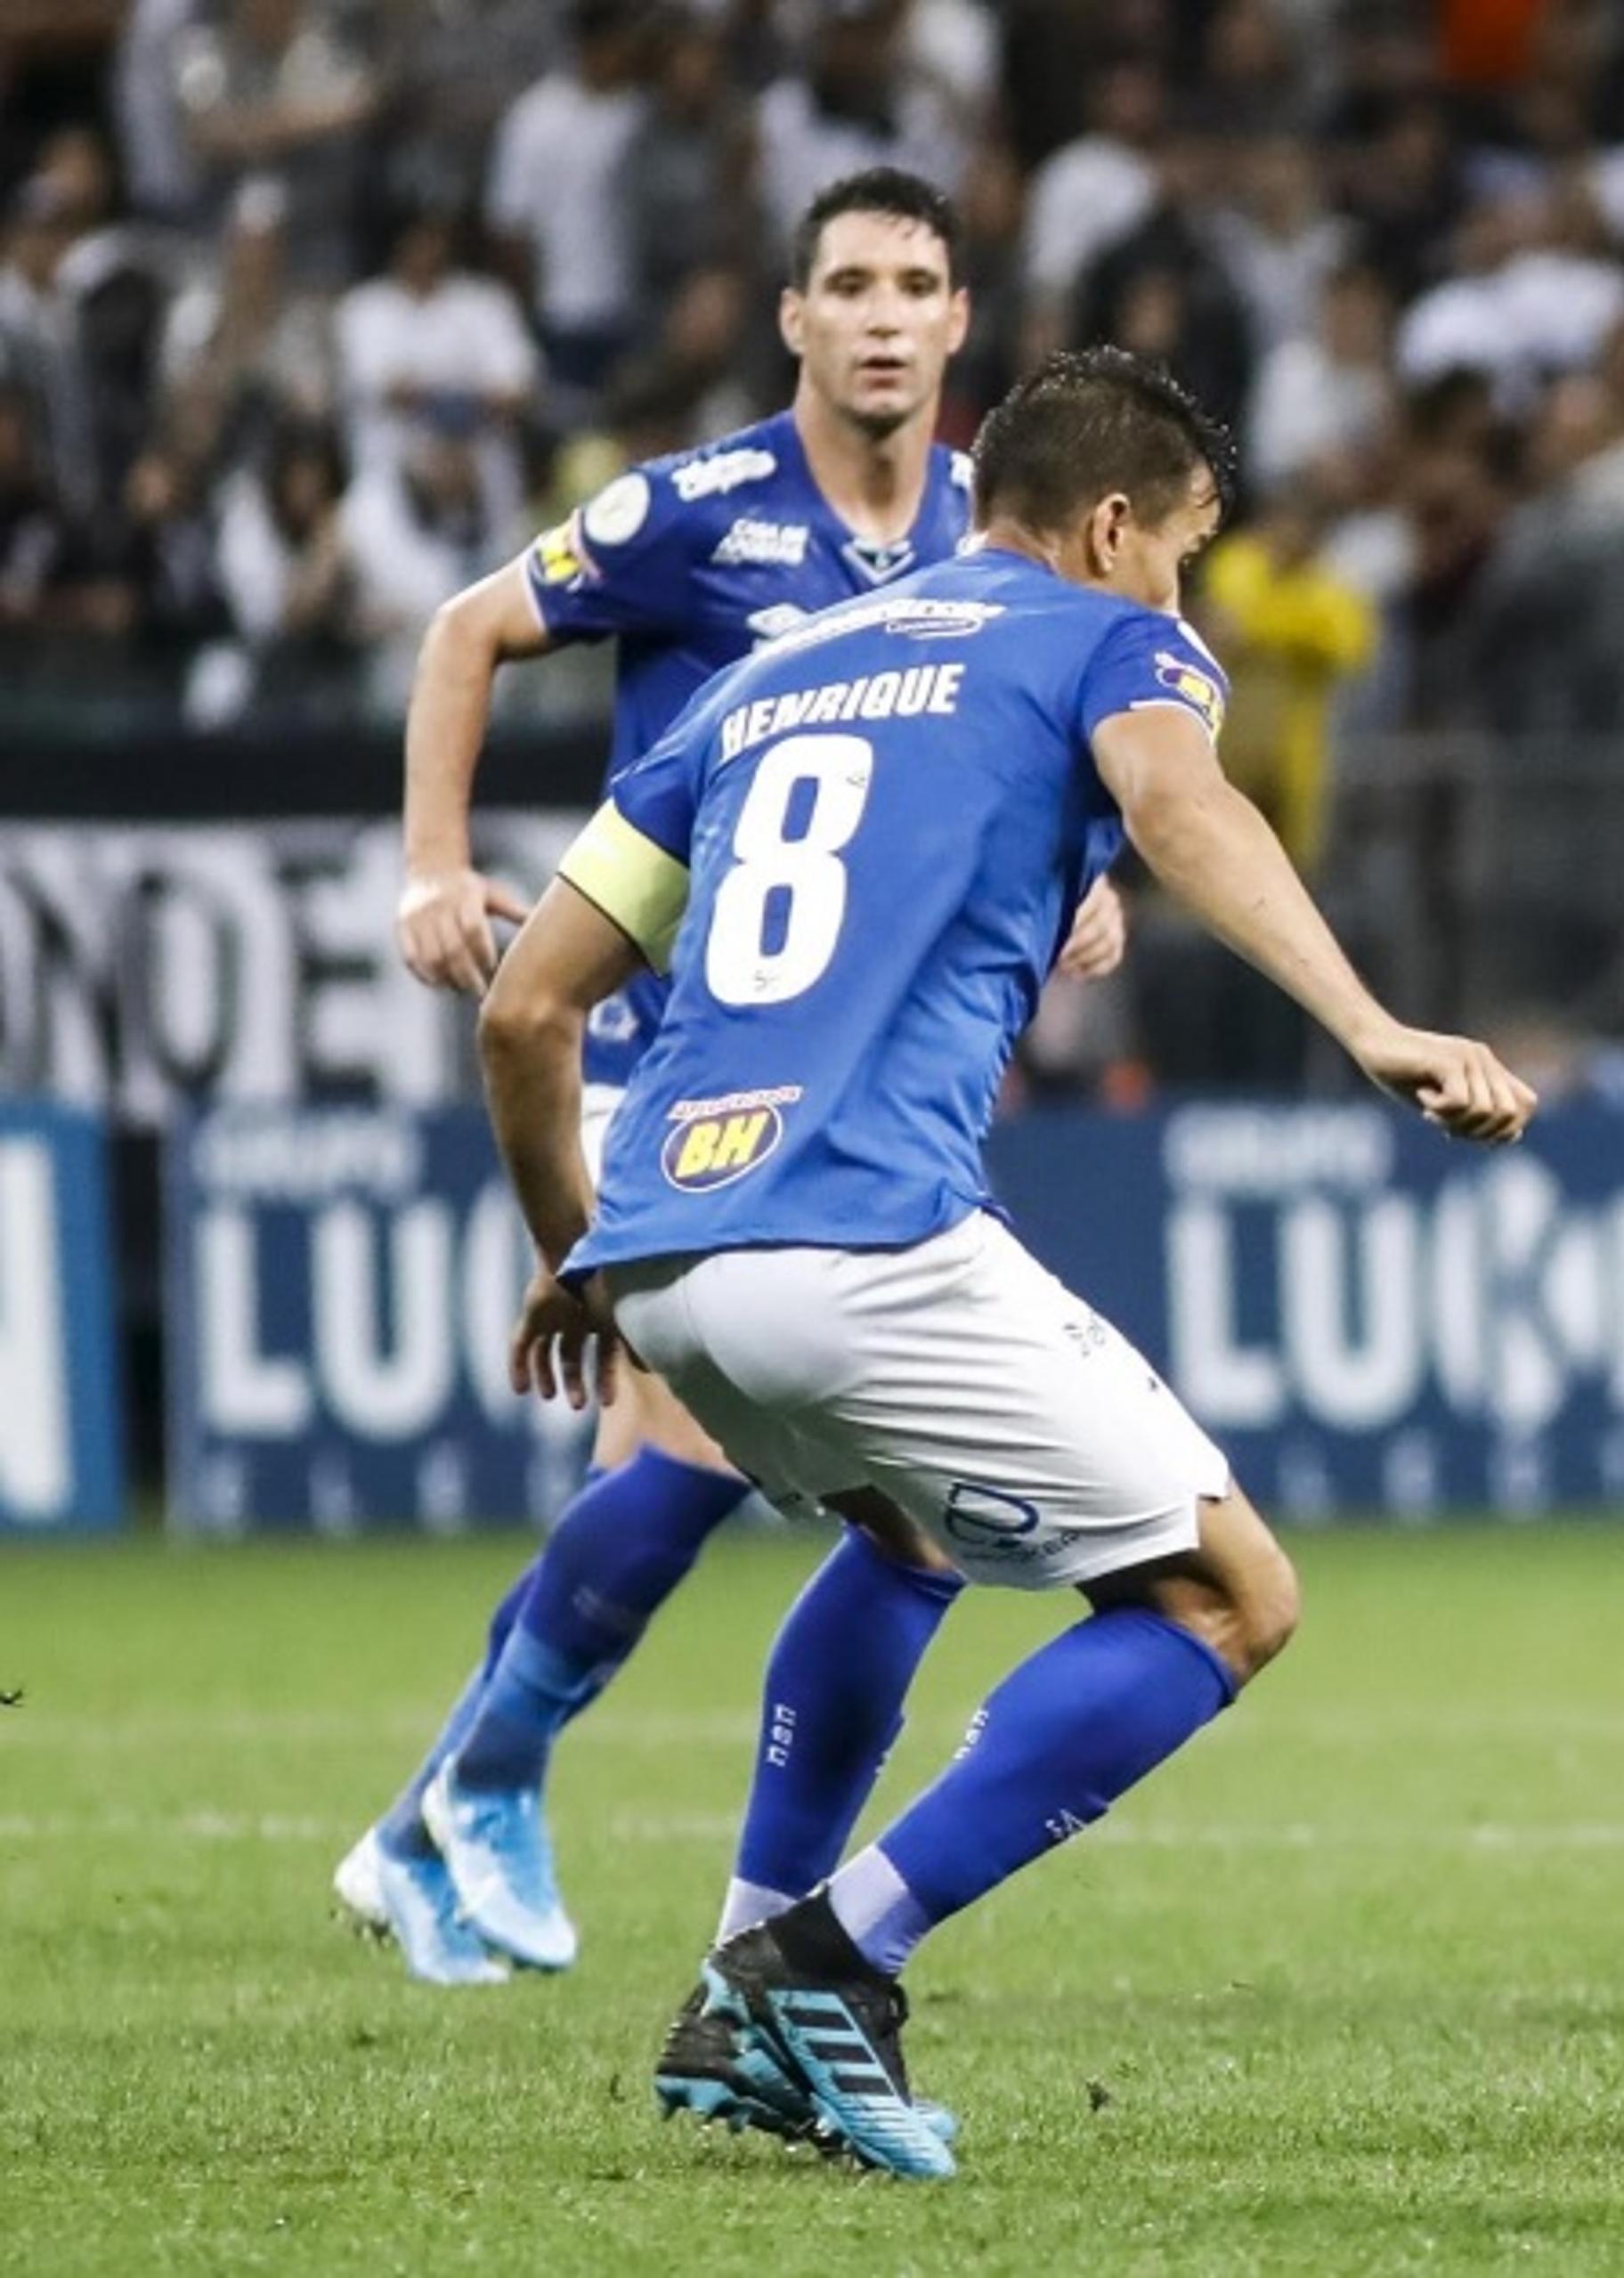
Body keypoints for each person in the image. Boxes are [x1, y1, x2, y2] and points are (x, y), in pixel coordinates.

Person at [480, 347, 1533, 2178]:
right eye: (1187, 550)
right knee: (1230, 1598)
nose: (1185, 594)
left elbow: (524, 1011)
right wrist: (1370, 1023)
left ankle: (751, 1962)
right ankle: (827, 1955)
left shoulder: (763, 677)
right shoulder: (1104, 639)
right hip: (866, 1232)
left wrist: (583, 1258)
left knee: (908, 1531)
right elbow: (1185, 804)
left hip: (669, 1252)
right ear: (1116, 524)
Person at [337, 169, 1123, 1988]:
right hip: (668, 1053)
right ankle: (502, 1788)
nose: (876, 315)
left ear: (956, 325)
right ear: (793, 319)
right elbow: (467, 629)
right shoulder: (697, 512)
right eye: (843, 282)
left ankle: (445, 1807)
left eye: (912, 284)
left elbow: (1025, 748)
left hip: (847, 1073)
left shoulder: (980, 531)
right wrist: (432, 866)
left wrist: (1081, 888)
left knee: (741, 1476)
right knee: (717, 1448)